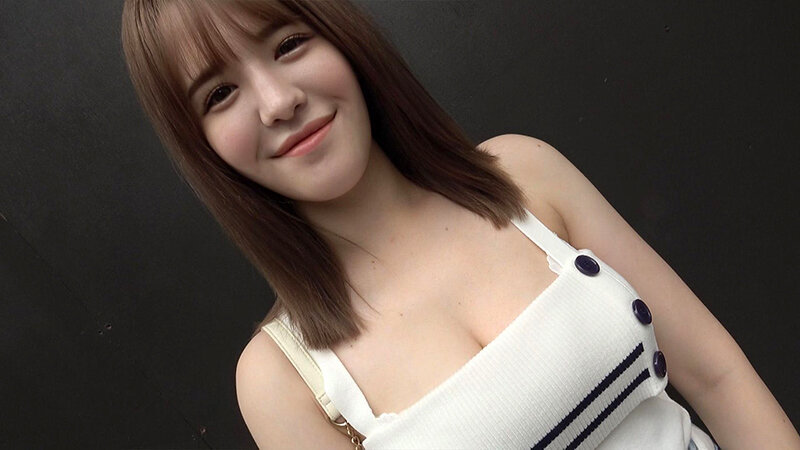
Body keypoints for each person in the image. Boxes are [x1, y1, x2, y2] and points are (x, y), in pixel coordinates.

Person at [120, 1, 800, 448]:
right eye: (220, 93)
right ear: (199, 145)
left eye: (289, 43)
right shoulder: (281, 379)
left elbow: (717, 376)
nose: (277, 101)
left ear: (343, 37)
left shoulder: (523, 175)